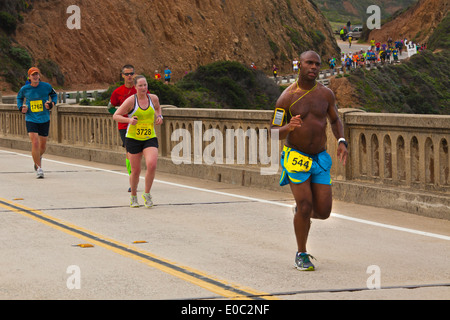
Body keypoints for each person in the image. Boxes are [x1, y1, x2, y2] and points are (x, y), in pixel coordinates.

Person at [270, 51, 348, 271]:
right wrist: (288, 127)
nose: (313, 67)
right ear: (299, 66)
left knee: (323, 211)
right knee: (305, 205)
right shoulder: (286, 97)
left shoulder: (326, 95)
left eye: (317, 64)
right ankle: (301, 253)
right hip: (296, 157)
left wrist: (341, 140)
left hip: (320, 158)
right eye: (309, 63)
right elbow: (273, 132)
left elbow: (335, 120)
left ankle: (300, 214)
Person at [113, 75, 163, 208]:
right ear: (135, 87)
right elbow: (116, 115)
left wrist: (159, 116)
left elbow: (158, 108)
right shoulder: (131, 101)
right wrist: (129, 120)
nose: (143, 88)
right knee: (135, 171)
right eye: (140, 85)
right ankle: (133, 195)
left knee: (152, 164)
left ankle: (147, 194)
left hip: (149, 137)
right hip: (133, 138)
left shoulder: (153, 98)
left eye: (145, 85)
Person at [17, 67, 57, 179]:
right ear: (29, 77)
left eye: (37, 74)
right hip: (31, 118)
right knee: (35, 142)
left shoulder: (46, 86)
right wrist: (21, 107)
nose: (35, 76)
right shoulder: (25, 89)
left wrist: (51, 104)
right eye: (33, 75)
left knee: (43, 146)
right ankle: (39, 169)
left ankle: (37, 159)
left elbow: (54, 95)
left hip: (44, 118)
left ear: (39, 76)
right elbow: (19, 98)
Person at [108, 64, 138, 191]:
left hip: (139, 125)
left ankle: (135, 176)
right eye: (127, 74)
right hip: (124, 125)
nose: (129, 76)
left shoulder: (140, 89)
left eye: (131, 73)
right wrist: (121, 114)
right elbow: (110, 107)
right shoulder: (117, 92)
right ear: (122, 76)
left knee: (139, 153)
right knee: (129, 152)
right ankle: (132, 180)